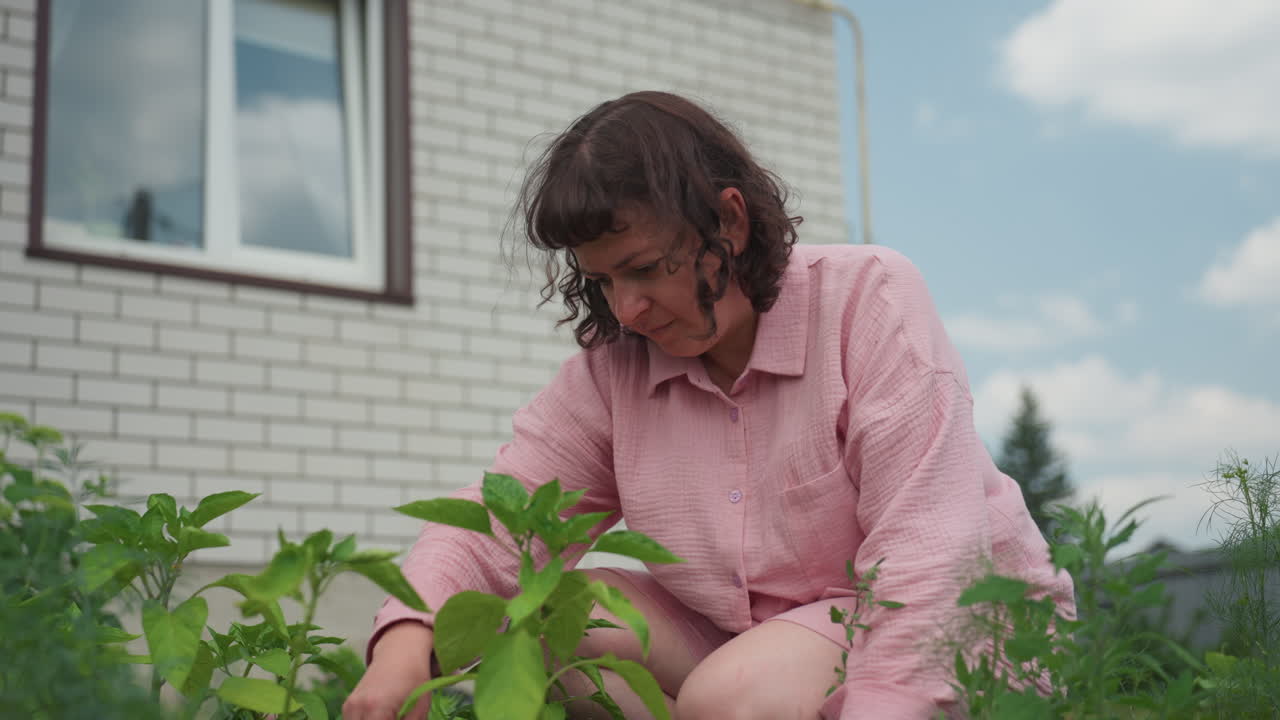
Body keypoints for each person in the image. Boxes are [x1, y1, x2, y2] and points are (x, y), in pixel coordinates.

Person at [343, 91, 1075, 720]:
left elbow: (930, 558)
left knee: (731, 695)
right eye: (601, 282)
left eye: (644, 270)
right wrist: (406, 638)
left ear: (728, 222)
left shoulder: (866, 300)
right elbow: (504, 520)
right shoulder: (615, 376)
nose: (626, 309)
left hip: (958, 631)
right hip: (753, 648)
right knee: (557, 617)